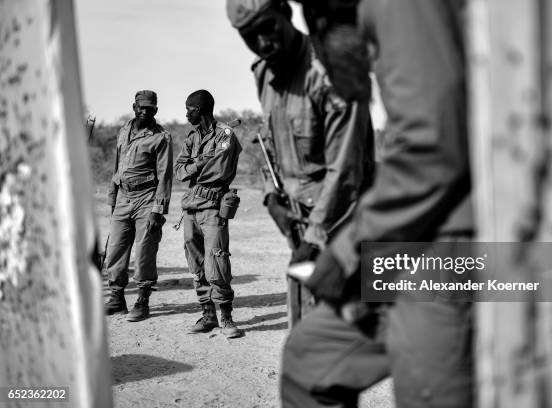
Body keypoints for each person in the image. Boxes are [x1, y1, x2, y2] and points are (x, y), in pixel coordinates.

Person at [278, 0, 475, 407]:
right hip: (431, 233)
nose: (318, 64)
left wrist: (347, 253)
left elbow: (431, 148)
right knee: (310, 359)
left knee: (429, 388)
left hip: (468, 244)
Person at [226, 0, 375, 322]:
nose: (263, 42)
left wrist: (314, 236)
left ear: (286, 12)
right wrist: (270, 196)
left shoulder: (331, 72)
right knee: (305, 323)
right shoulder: (264, 72)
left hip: (345, 228)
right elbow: (270, 140)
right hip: (301, 227)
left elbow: (346, 170)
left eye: (268, 27)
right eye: (251, 36)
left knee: (342, 334)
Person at [174, 90, 244, 339]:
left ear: (200, 108)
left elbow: (219, 170)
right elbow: (179, 171)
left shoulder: (225, 134)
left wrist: (198, 167)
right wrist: (200, 163)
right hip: (191, 208)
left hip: (213, 207)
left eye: (189, 108)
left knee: (217, 261)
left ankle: (226, 316)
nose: (186, 113)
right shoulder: (192, 136)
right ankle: (207, 314)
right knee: (196, 263)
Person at [104, 90, 173, 322]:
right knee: (115, 249)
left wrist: (158, 209)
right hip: (123, 197)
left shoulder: (161, 136)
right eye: (141, 107)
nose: (145, 111)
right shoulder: (124, 130)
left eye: (150, 108)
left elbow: (165, 175)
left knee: (144, 252)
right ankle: (116, 298)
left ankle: (142, 302)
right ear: (134, 107)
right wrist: (113, 195)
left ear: (156, 109)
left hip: (147, 198)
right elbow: (117, 165)